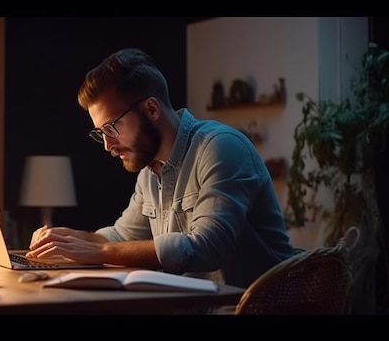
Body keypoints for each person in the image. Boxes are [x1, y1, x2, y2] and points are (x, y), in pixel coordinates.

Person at [26, 47, 293, 289]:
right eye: (100, 133)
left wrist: (101, 252)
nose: (107, 145)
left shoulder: (221, 147)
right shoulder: (149, 171)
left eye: (111, 127)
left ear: (151, 109)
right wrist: (72, 239)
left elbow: (208, 248)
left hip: (250, 307)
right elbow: (123, 236)